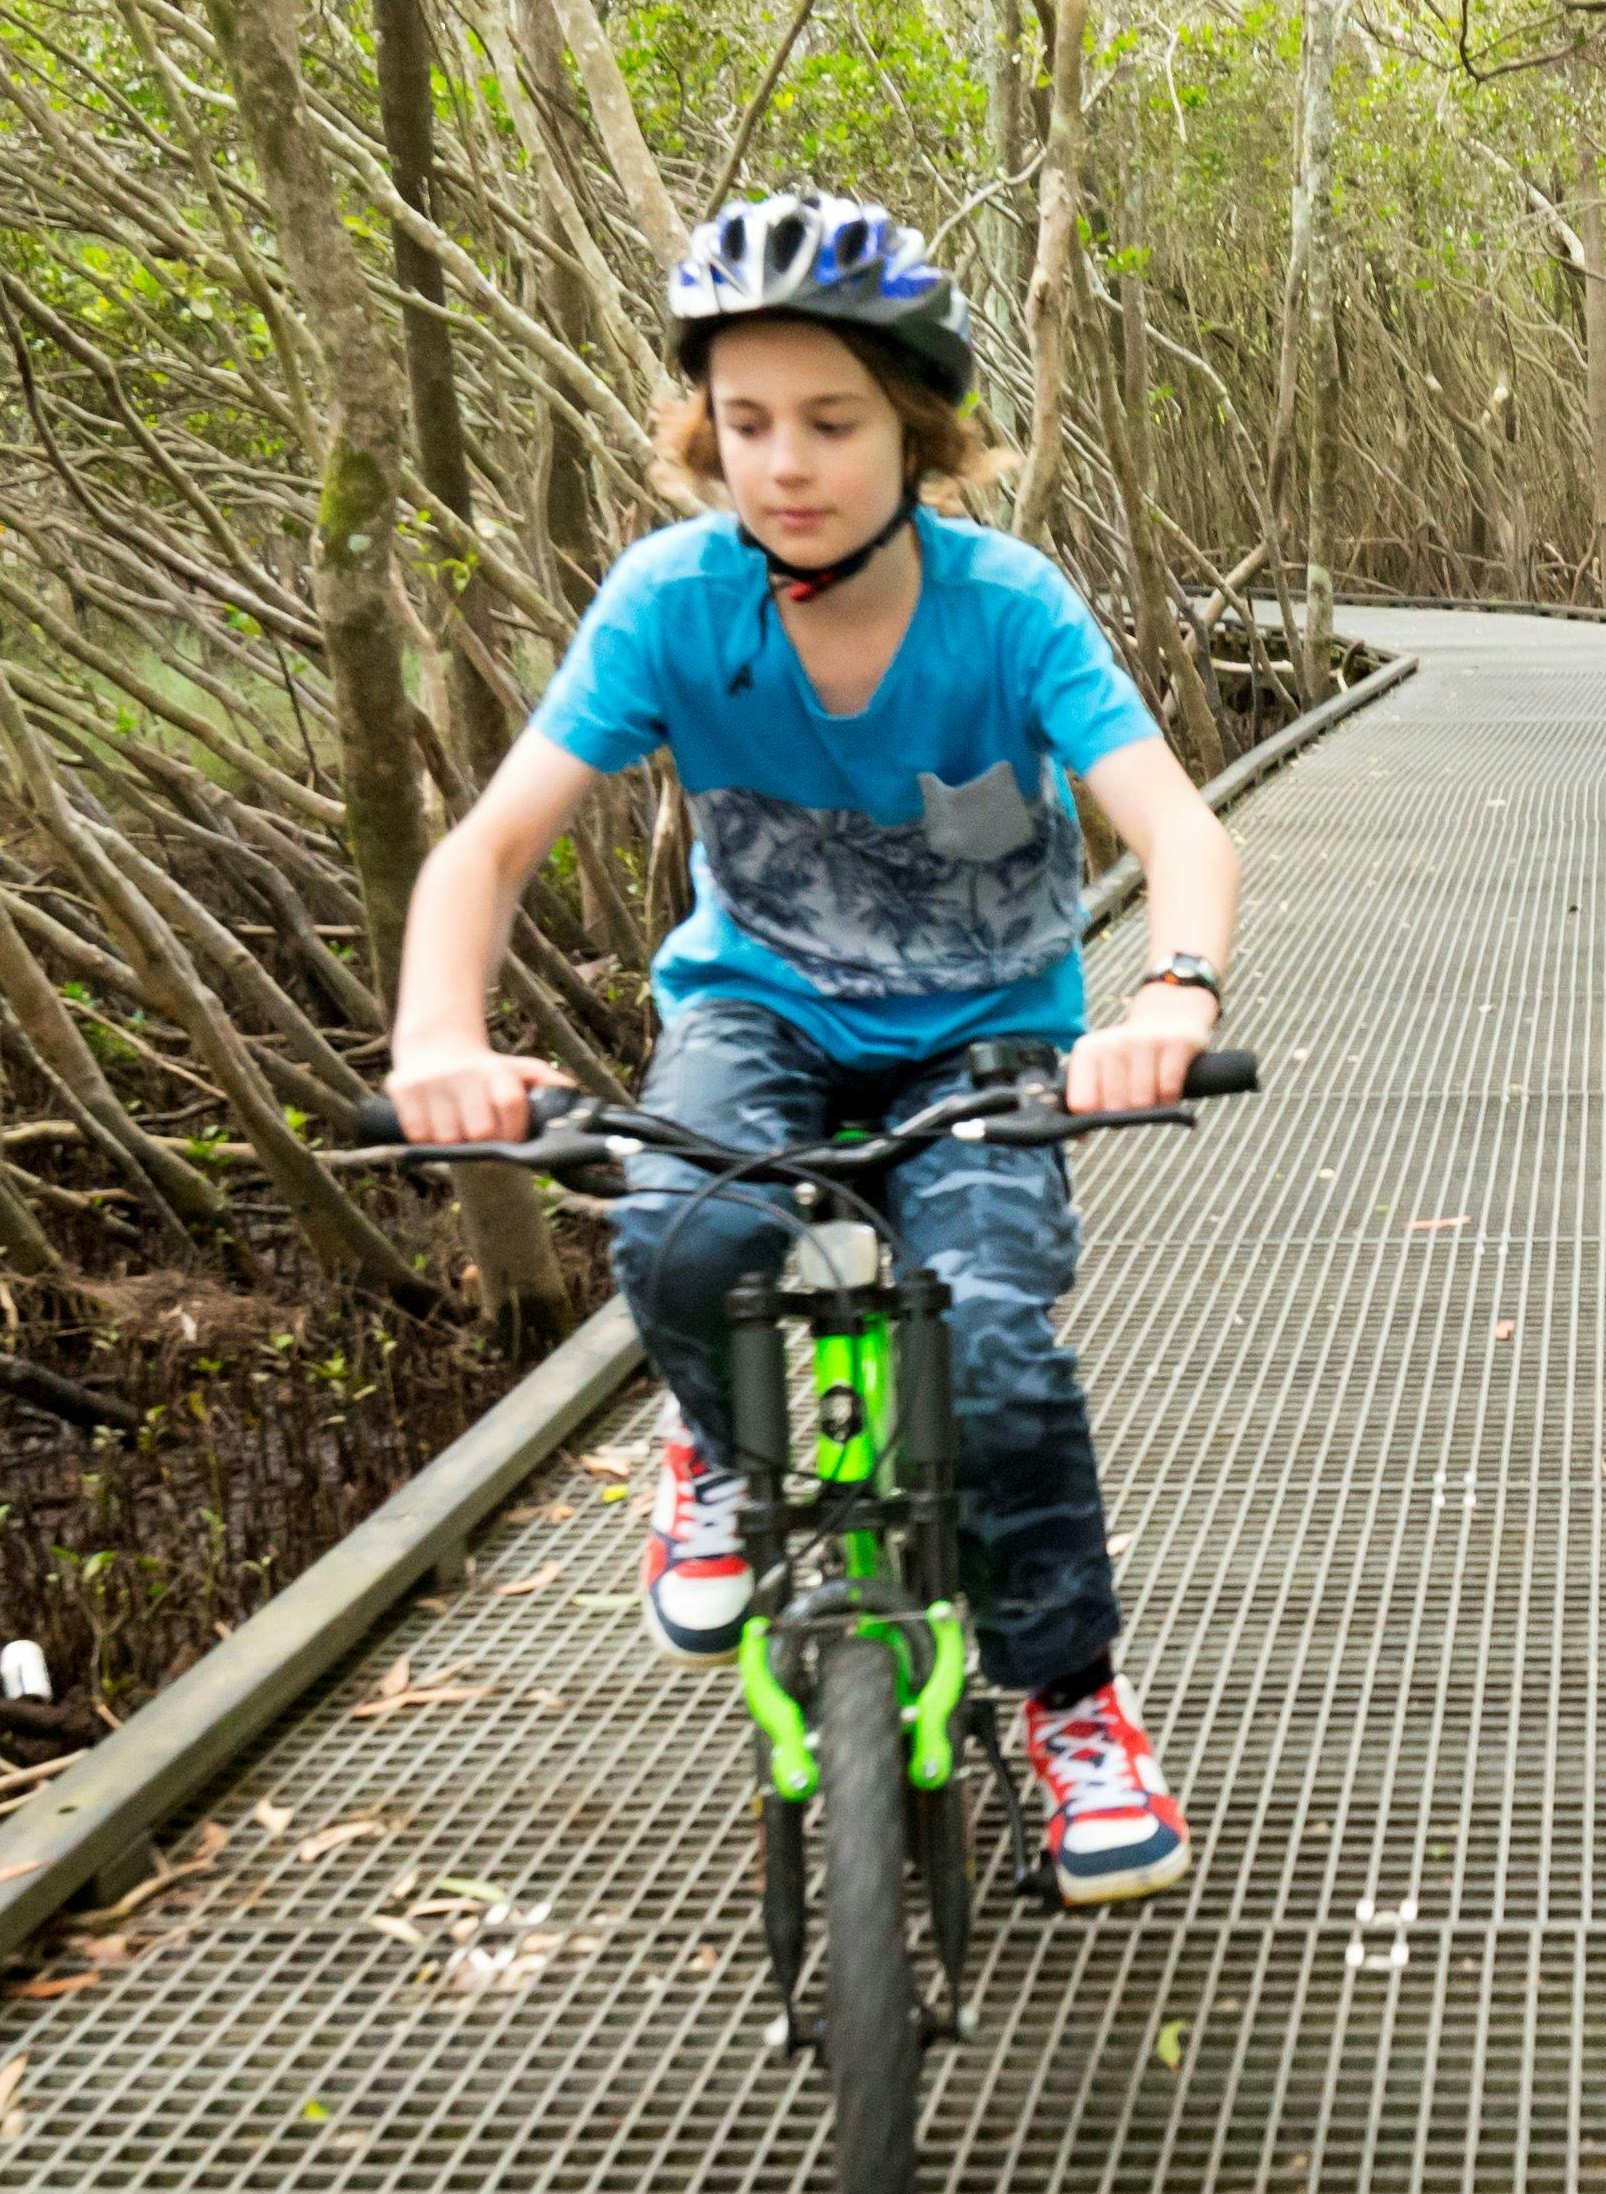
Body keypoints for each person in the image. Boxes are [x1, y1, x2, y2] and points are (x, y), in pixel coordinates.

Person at [386, 193, 1241, 1906]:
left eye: (833, 422)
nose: (786, 464)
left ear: (919, 434)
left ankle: (1070, 1698)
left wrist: (1172, 998)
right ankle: (712, 1443)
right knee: (686, 1234)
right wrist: (438, 1036)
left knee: (989, 1351)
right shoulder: (672, 605)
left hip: (986, 1042)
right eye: (750, 422)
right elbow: (484, 848)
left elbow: (1179, 828)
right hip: (755, 1008)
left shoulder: (1008, 613)